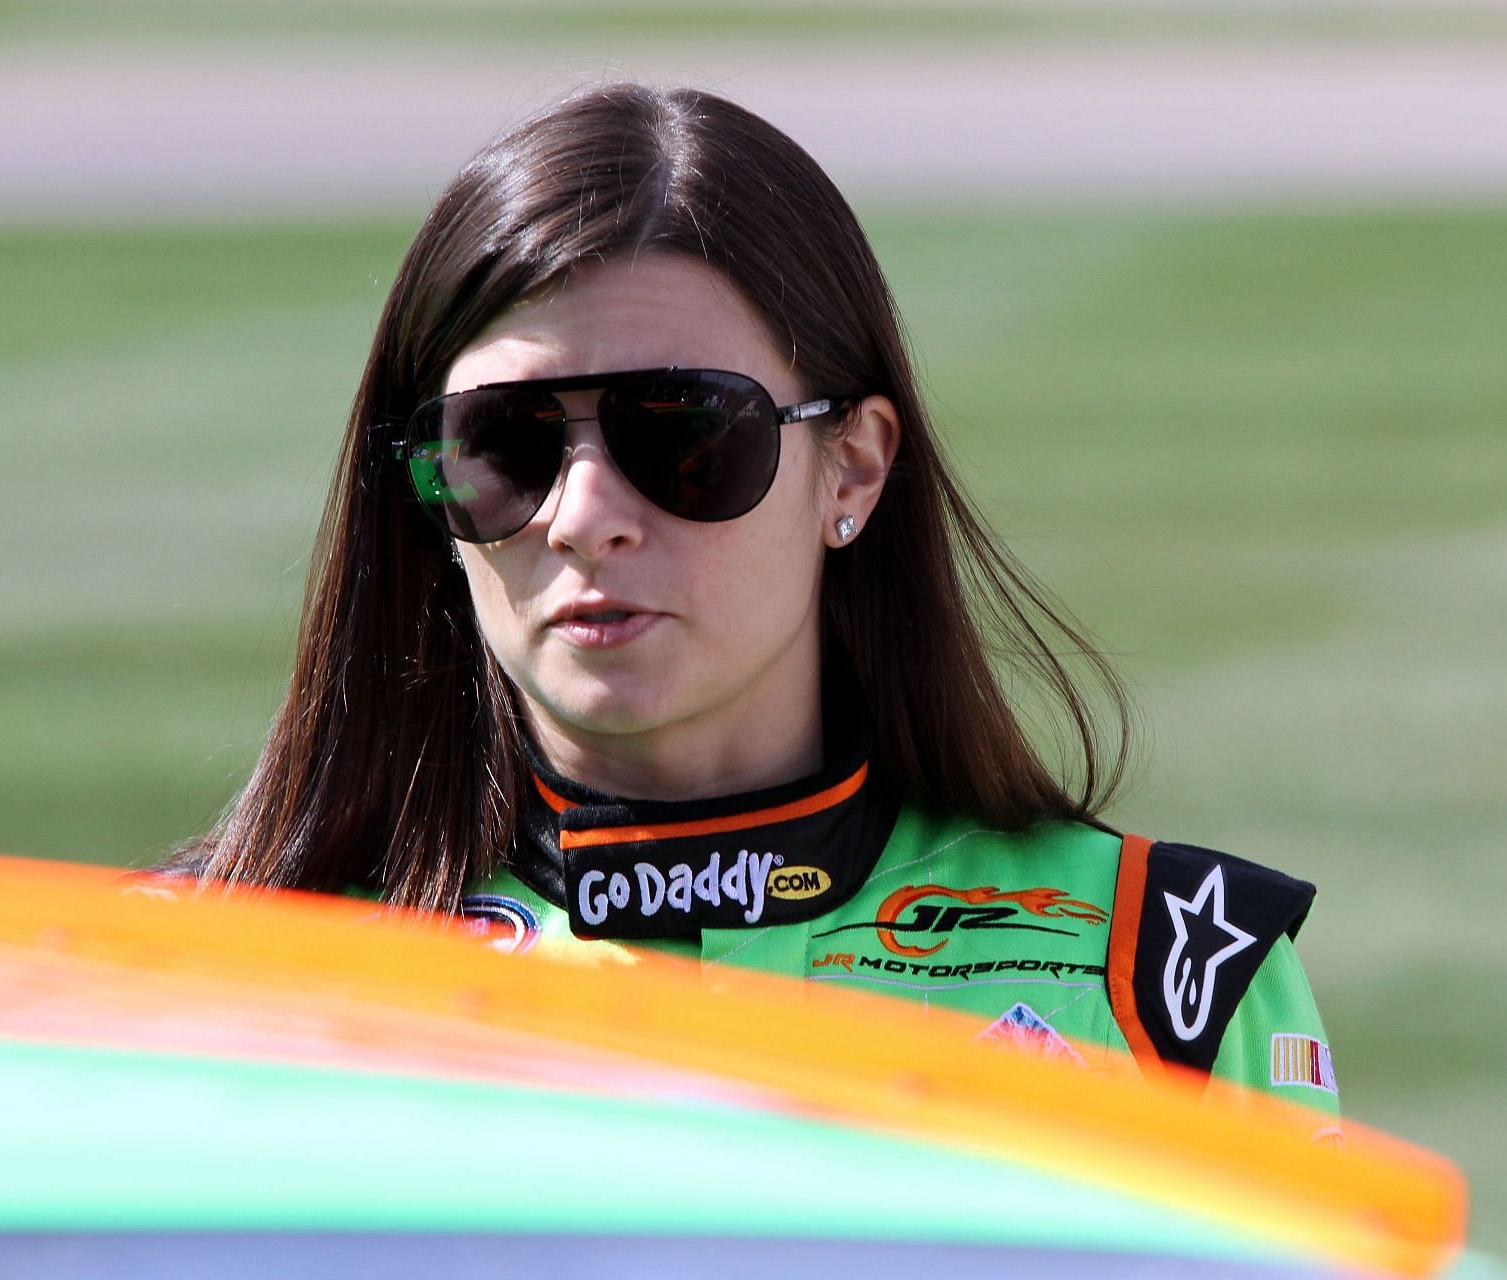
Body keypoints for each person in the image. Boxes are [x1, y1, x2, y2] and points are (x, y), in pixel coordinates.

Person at [163, 84, 1339, 1122]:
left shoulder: (1165, 968)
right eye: (507, 444)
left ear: (855, 467)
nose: (583, 513)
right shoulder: (210, 974)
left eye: (682, 433)